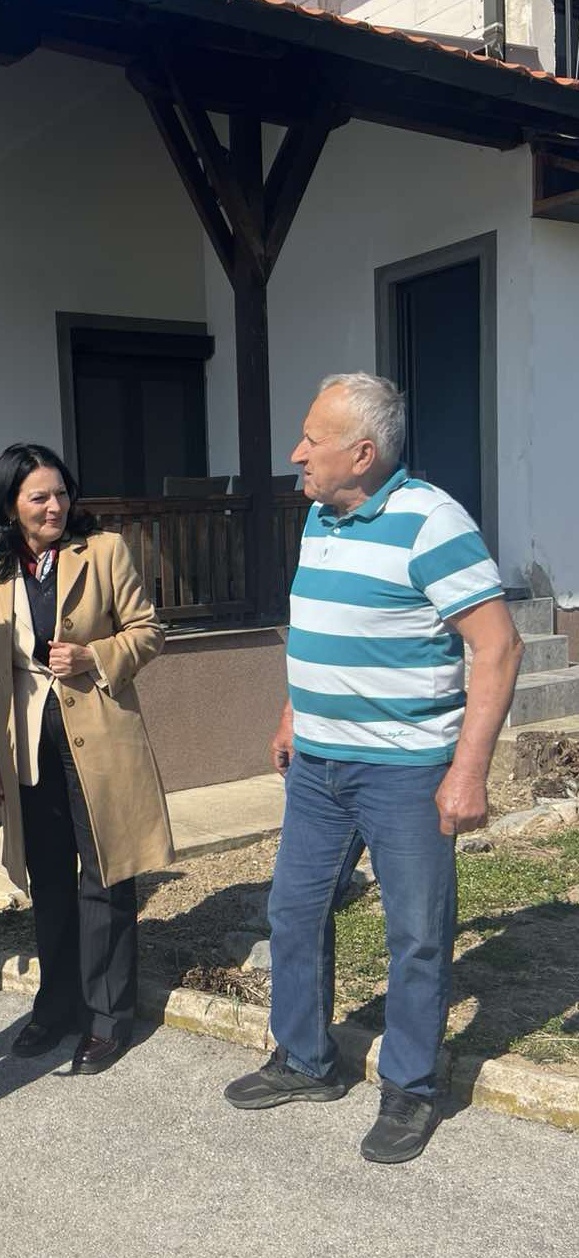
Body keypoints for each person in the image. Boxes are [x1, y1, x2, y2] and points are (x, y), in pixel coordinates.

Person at [223, 373, 523, 1164]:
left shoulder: (431, 522)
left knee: (416, 934)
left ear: (361, 454)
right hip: (317, 767)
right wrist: (292, 713)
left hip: (403, 772)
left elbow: (497, 646)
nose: (296, 453)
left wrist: (468, 771)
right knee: (293, 912)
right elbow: (318, 625)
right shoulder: (319, 516)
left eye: (311, 440)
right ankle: (305, 1060)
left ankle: (411, 1087)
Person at [0, 442, 174, 1075]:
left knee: (106, 872)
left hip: (100, 735)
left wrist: (94, 656)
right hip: (27, 740)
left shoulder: (104, 550)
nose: (54, 506)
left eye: (61, 493)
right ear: (11, 504)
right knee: (49, 875)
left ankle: (108, 1016)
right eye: (40, 497)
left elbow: (148, 630)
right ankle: (56, 1004)